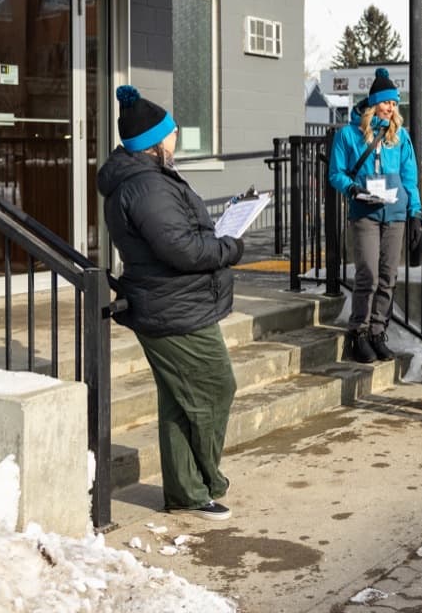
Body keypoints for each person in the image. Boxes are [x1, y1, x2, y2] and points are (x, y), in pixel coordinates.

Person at [98, 85, 243, 521]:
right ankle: (203, 482)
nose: (176, 138)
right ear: (155, 142)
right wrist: (230, 247)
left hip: (176, 302)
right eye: (172, 133)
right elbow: (181, 249)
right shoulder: (145, 185)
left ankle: (188, 491)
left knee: (180, 401)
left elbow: (180, 235)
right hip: (172, 308)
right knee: (216, 387)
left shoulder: (150, 179)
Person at [328, 68, 422, 363]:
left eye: (394, 103)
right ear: (373, 103)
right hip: (365, 212)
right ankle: (359, 330)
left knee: (388, 276)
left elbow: (410, 178)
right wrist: (352, 188)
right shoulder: (348, 134)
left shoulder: (400, 136)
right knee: (367, 274)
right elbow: (335, 173)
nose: (390, 108)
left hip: (395, 213)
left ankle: (377, 332)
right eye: (385, 102)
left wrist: (415, 212)